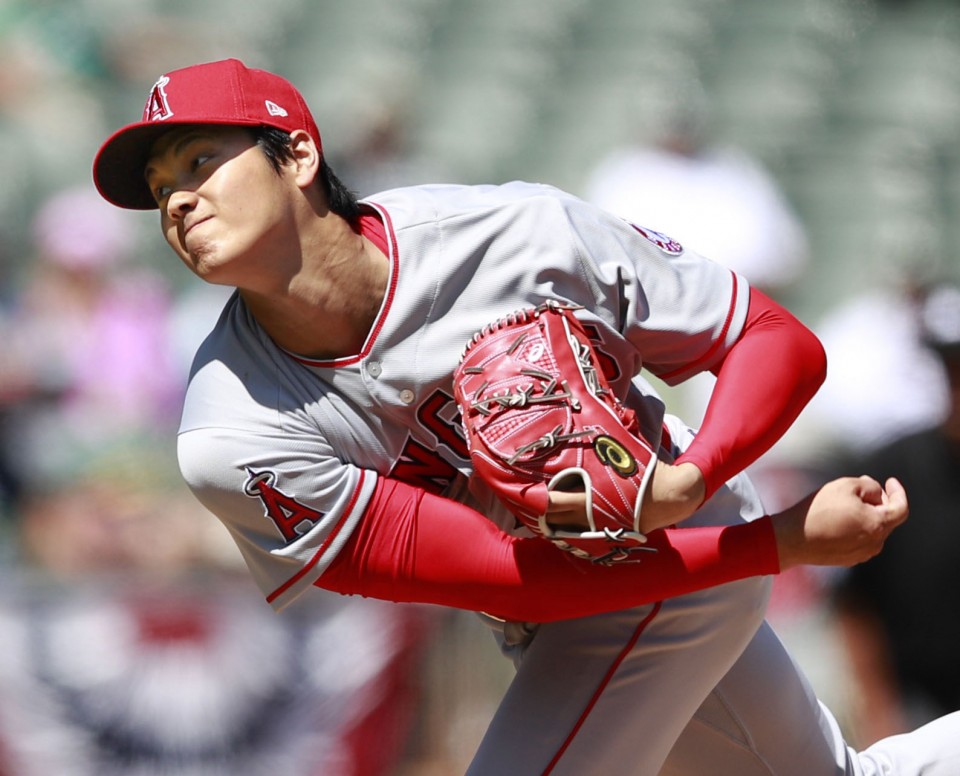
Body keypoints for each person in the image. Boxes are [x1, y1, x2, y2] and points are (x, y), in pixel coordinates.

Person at [90, 58, 949, 775]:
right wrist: (780, 545)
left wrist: (690, 482)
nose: (177, 202)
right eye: (161, 189)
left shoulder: (508, 233)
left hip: (681, 551)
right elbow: (504, 573)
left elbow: (773, 338)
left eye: (201, 161)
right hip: (565, 599)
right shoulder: (230, 429)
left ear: (300, 155)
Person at [831, 282, 960, 747]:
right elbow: (854, 602)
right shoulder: (891, 472)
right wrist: (880, 710)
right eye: (953, 369)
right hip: (919, 708)